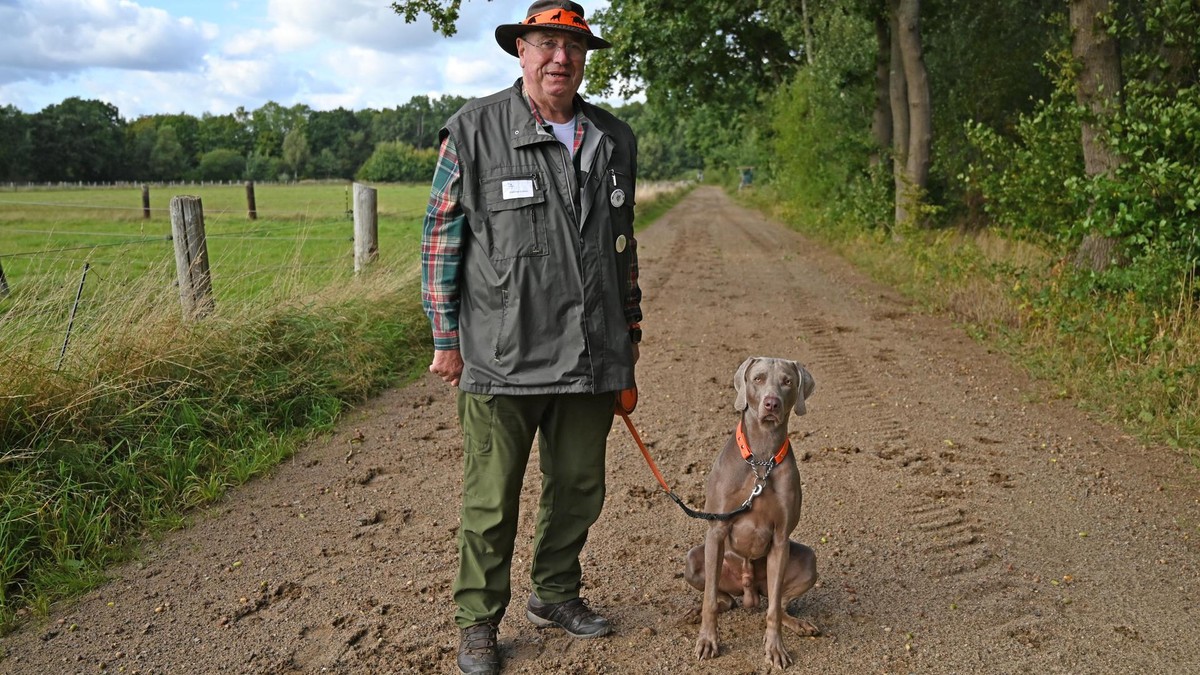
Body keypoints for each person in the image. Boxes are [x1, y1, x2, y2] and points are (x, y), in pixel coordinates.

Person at [419, 2, 641, 673]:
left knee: (578, 487)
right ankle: (478, 623)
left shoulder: (612, 137)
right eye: (546, 43)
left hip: (591, 356)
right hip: (501, 356)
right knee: (491, 500)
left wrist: (627, 335)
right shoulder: (475, 129)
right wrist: (445, 337)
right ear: (521, 51)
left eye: (572, 47)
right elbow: (441, 237)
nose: (560, 59)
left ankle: (555, 593)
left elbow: (621, 248)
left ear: (584, 58)